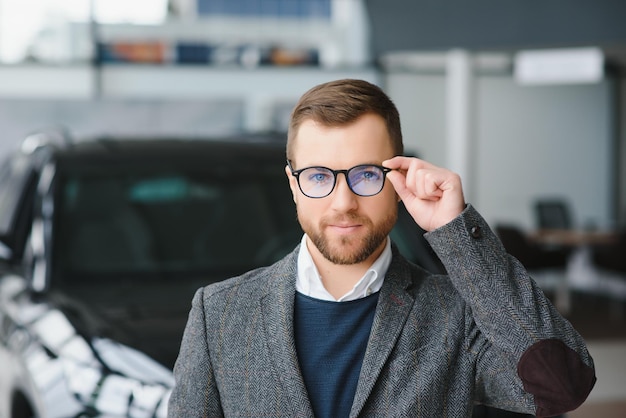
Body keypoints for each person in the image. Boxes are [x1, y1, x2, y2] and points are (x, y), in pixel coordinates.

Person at [168, 79, 596, 417]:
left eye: (366, 175)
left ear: (399, 178)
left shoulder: (456, 315)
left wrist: (457, 231)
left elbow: (563, 386)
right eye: (318, 176)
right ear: (293, 186)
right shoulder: (220, 314)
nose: (344, 203)